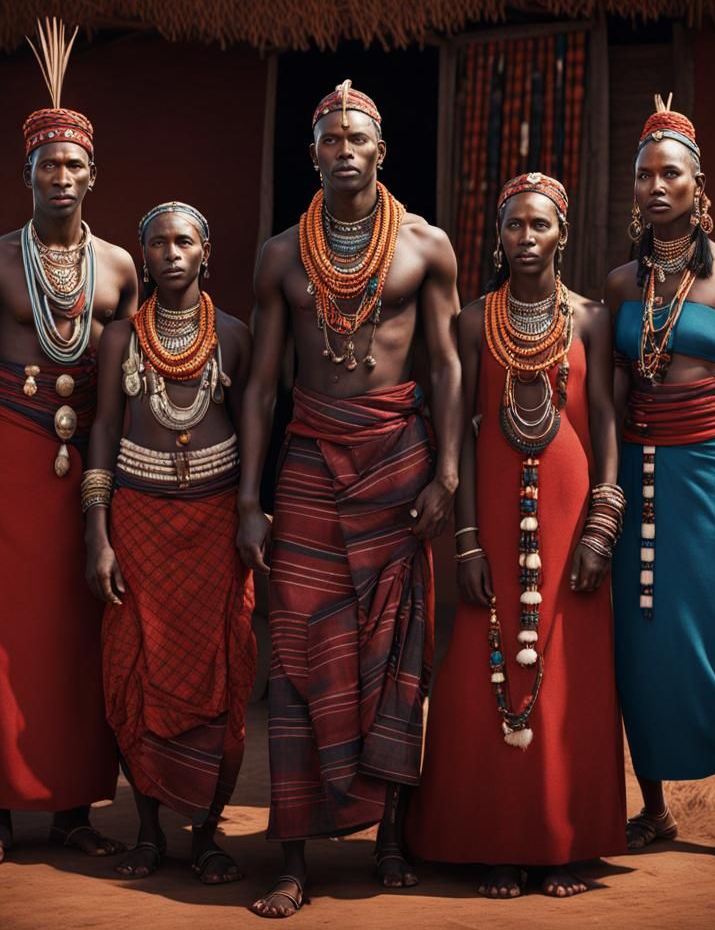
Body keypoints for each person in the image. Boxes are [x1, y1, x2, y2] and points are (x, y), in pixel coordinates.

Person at [238, 80, 462, 917]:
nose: (343, 150)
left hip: (398, 464)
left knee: (395, 655)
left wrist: (445, 474)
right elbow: (263, 387)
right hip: (306, 467)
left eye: (356, 138)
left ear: (380, 151)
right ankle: (292, 853)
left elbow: (443, 365)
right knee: (298, 650)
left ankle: (390, 837)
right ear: (312, 155)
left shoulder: (425, 247)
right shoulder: (279, 256)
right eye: (329, 139)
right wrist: (250, 503)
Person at [0, 19, 137, 865]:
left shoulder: (122, 269)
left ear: (94, 175)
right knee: (7, 630)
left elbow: (127, 375)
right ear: (25, 173)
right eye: (46, 164)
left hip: (88, 469)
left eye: (74, 165)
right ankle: (0, 811)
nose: (61, 176)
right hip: (15, 461)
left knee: (78, 635)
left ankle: (72, 812)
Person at [405, 173, 627, 899]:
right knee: (485, 655)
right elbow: (462, 434)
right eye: (512, 227)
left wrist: (603, 520)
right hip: (493, 509)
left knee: (568, 665)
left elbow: (603, 423)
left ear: (562, 232)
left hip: (570, 510)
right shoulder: (474, 320)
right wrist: (466, 540)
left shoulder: (592, 317)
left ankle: (559, 842)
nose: (525, 239)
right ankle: (497, 842)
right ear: (497, 237)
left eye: (538, 226)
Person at [605, 95, 715, 874]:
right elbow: (608, 397)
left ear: (696, 185)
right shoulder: (618, 283)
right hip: (640, 477)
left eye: (670, 173)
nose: (655, 186)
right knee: (641, 642)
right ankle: (656, 809)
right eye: (644, 175)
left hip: (714, 474)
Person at [84, 201, 255, 882]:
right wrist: (97, 532)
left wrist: (251, 515)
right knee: (133, 669)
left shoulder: (235, 337)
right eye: (159, 243)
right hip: (138, 524)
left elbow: (254, 435)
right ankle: (150, 832)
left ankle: (208, 835)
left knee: (227, 672)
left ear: (206, 251)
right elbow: (100, 430)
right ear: (143, 256)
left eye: (185, 241)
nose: (172, 253)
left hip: (215, 526)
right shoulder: (120, 339)